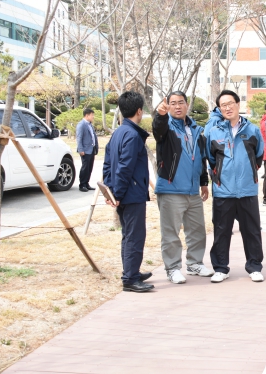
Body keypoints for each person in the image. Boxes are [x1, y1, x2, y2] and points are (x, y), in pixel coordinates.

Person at [153, 91, 214, 285]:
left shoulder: (196, 129)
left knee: (197, 230)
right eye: (173, 103)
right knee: (171, 233)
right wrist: (160, 115)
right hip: (171, 188)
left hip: (193, 190)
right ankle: (172, 268)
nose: (177, 106)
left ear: (187, 104)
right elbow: (158, 130)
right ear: (168, 106)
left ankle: (195, 263)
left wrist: (204, 182)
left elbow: (201, 157)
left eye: (181, 103)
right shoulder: (166, 126)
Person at [205, 90, 265, 283]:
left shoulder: (253, 130)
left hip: (247, 189)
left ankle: (254, 266)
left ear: (239, 104)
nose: (228, 108)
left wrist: (247, 175)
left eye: (231, 103)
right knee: (221, 231)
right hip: (223, 190)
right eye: (223, 105)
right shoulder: (214, 132)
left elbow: (258, 157)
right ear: (219, 109)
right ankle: (221, 268)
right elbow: (211, 159)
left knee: (252, 231)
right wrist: (220, 176)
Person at [103, 91, 153, 293]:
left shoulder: (118, 132)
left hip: (123, 193)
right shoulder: (132, 135)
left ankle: (131, 271)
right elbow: (125, 167)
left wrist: (111, 191)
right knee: (134, 236)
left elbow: (108, 164)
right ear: (139, 111)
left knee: (128, 235)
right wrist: (118, 194)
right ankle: (130, 278)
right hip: (130, 194)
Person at [76, 108, 98, 192]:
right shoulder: (81, 124)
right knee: (85, 167)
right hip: (85, 150)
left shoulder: (90, 124)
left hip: (91, 149)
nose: (93, 117)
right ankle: (82, 184)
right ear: (87, 115)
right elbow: (79, 138)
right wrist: (81, 149)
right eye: (92, 115)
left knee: (90, 167)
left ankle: (86, 183)